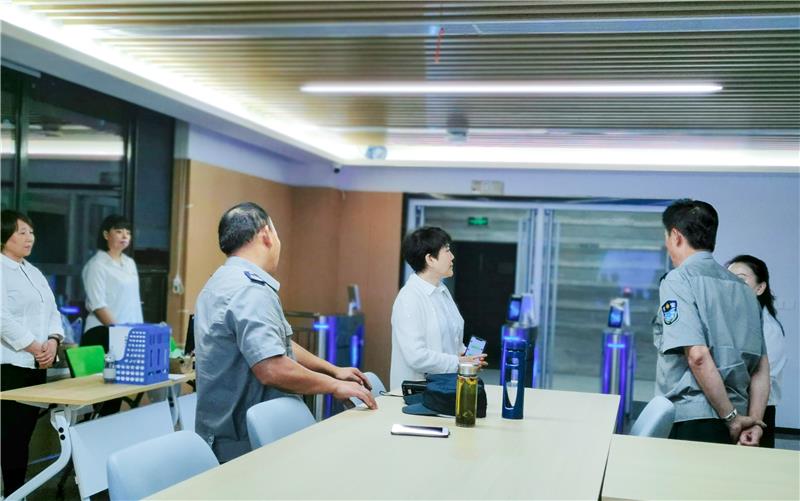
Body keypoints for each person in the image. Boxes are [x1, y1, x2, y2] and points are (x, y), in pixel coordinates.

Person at [194, 202, 377, 462]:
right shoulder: (250, 290)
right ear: (266, 234)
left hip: (221, 435)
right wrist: (334, 386)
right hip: (244, 442)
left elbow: (276, 344)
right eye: (277, 234)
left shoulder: (220, 281)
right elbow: (272, 368)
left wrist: (332, 369)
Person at [655, 199, 769, 446]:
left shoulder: (678, 280)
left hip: (692, 418)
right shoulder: (745, 290)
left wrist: (731, 418)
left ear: (675, 236)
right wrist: (753, 422)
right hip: (740, 423)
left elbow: (697, 356)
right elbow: (761, 368)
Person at [1, 210, 64, 496]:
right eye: (22, 232)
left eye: (31, 232)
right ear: (4, 235)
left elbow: (52, 311)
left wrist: (53, 340)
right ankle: (14, 493)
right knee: (11, 437)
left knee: (24, 435)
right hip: (10, 366)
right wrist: (34, 346)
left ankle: (17, 493)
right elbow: (2, 318)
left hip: (37, 365)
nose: (30, 238)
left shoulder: (33, 271)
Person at [390, 226, 487, 390]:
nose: (452, 256)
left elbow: (451, 341)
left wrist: (467, 357)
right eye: (447, 251)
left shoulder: (442, 290)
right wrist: (458, 362)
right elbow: (416, 357)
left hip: (444, 388)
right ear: (430, 259)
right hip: (418, 393)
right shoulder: (409, 298)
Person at [727, 255, 786, 448]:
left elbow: (764, 377)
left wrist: (754, 421)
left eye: (741, 279)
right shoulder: (732, 320)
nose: (732, 284)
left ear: (760, 288)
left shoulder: (769, 329)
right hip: (735, 409)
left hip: (759, 410)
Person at [81, 214, 143, 347]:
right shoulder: (97, 265)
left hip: (128, 335)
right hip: (102, 334)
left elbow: (134, 303)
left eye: (128, 233)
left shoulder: (129, 263)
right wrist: (119, 333)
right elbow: (98, 306)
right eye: (119, 231)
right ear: (106, 235)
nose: (125, 236)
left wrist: (137, 333)